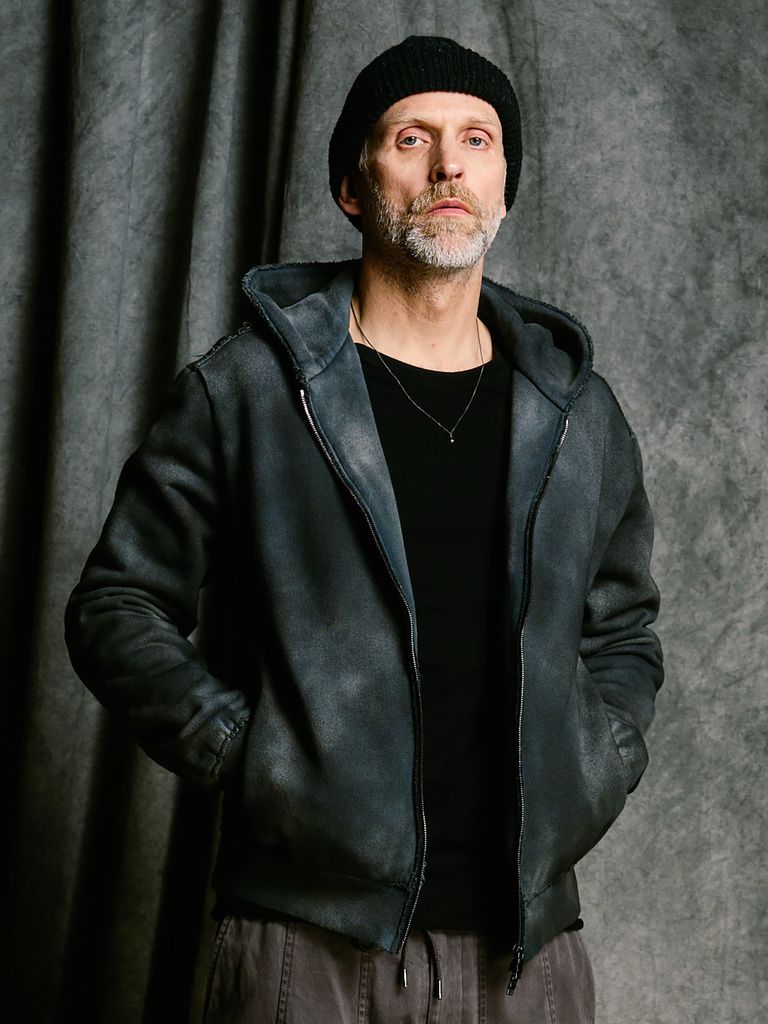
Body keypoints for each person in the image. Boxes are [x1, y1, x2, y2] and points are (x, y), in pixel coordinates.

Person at [65, 35, 664, 1024]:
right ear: (353, 186)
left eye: (477, 140)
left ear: (504, 186)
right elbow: (117, 603)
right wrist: (246, 752)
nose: (448, 166)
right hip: (306, 946)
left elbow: (624, 626)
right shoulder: (251, 391)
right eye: (411, 139)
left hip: (531, 954)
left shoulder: (576, 412)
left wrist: (603, 760)